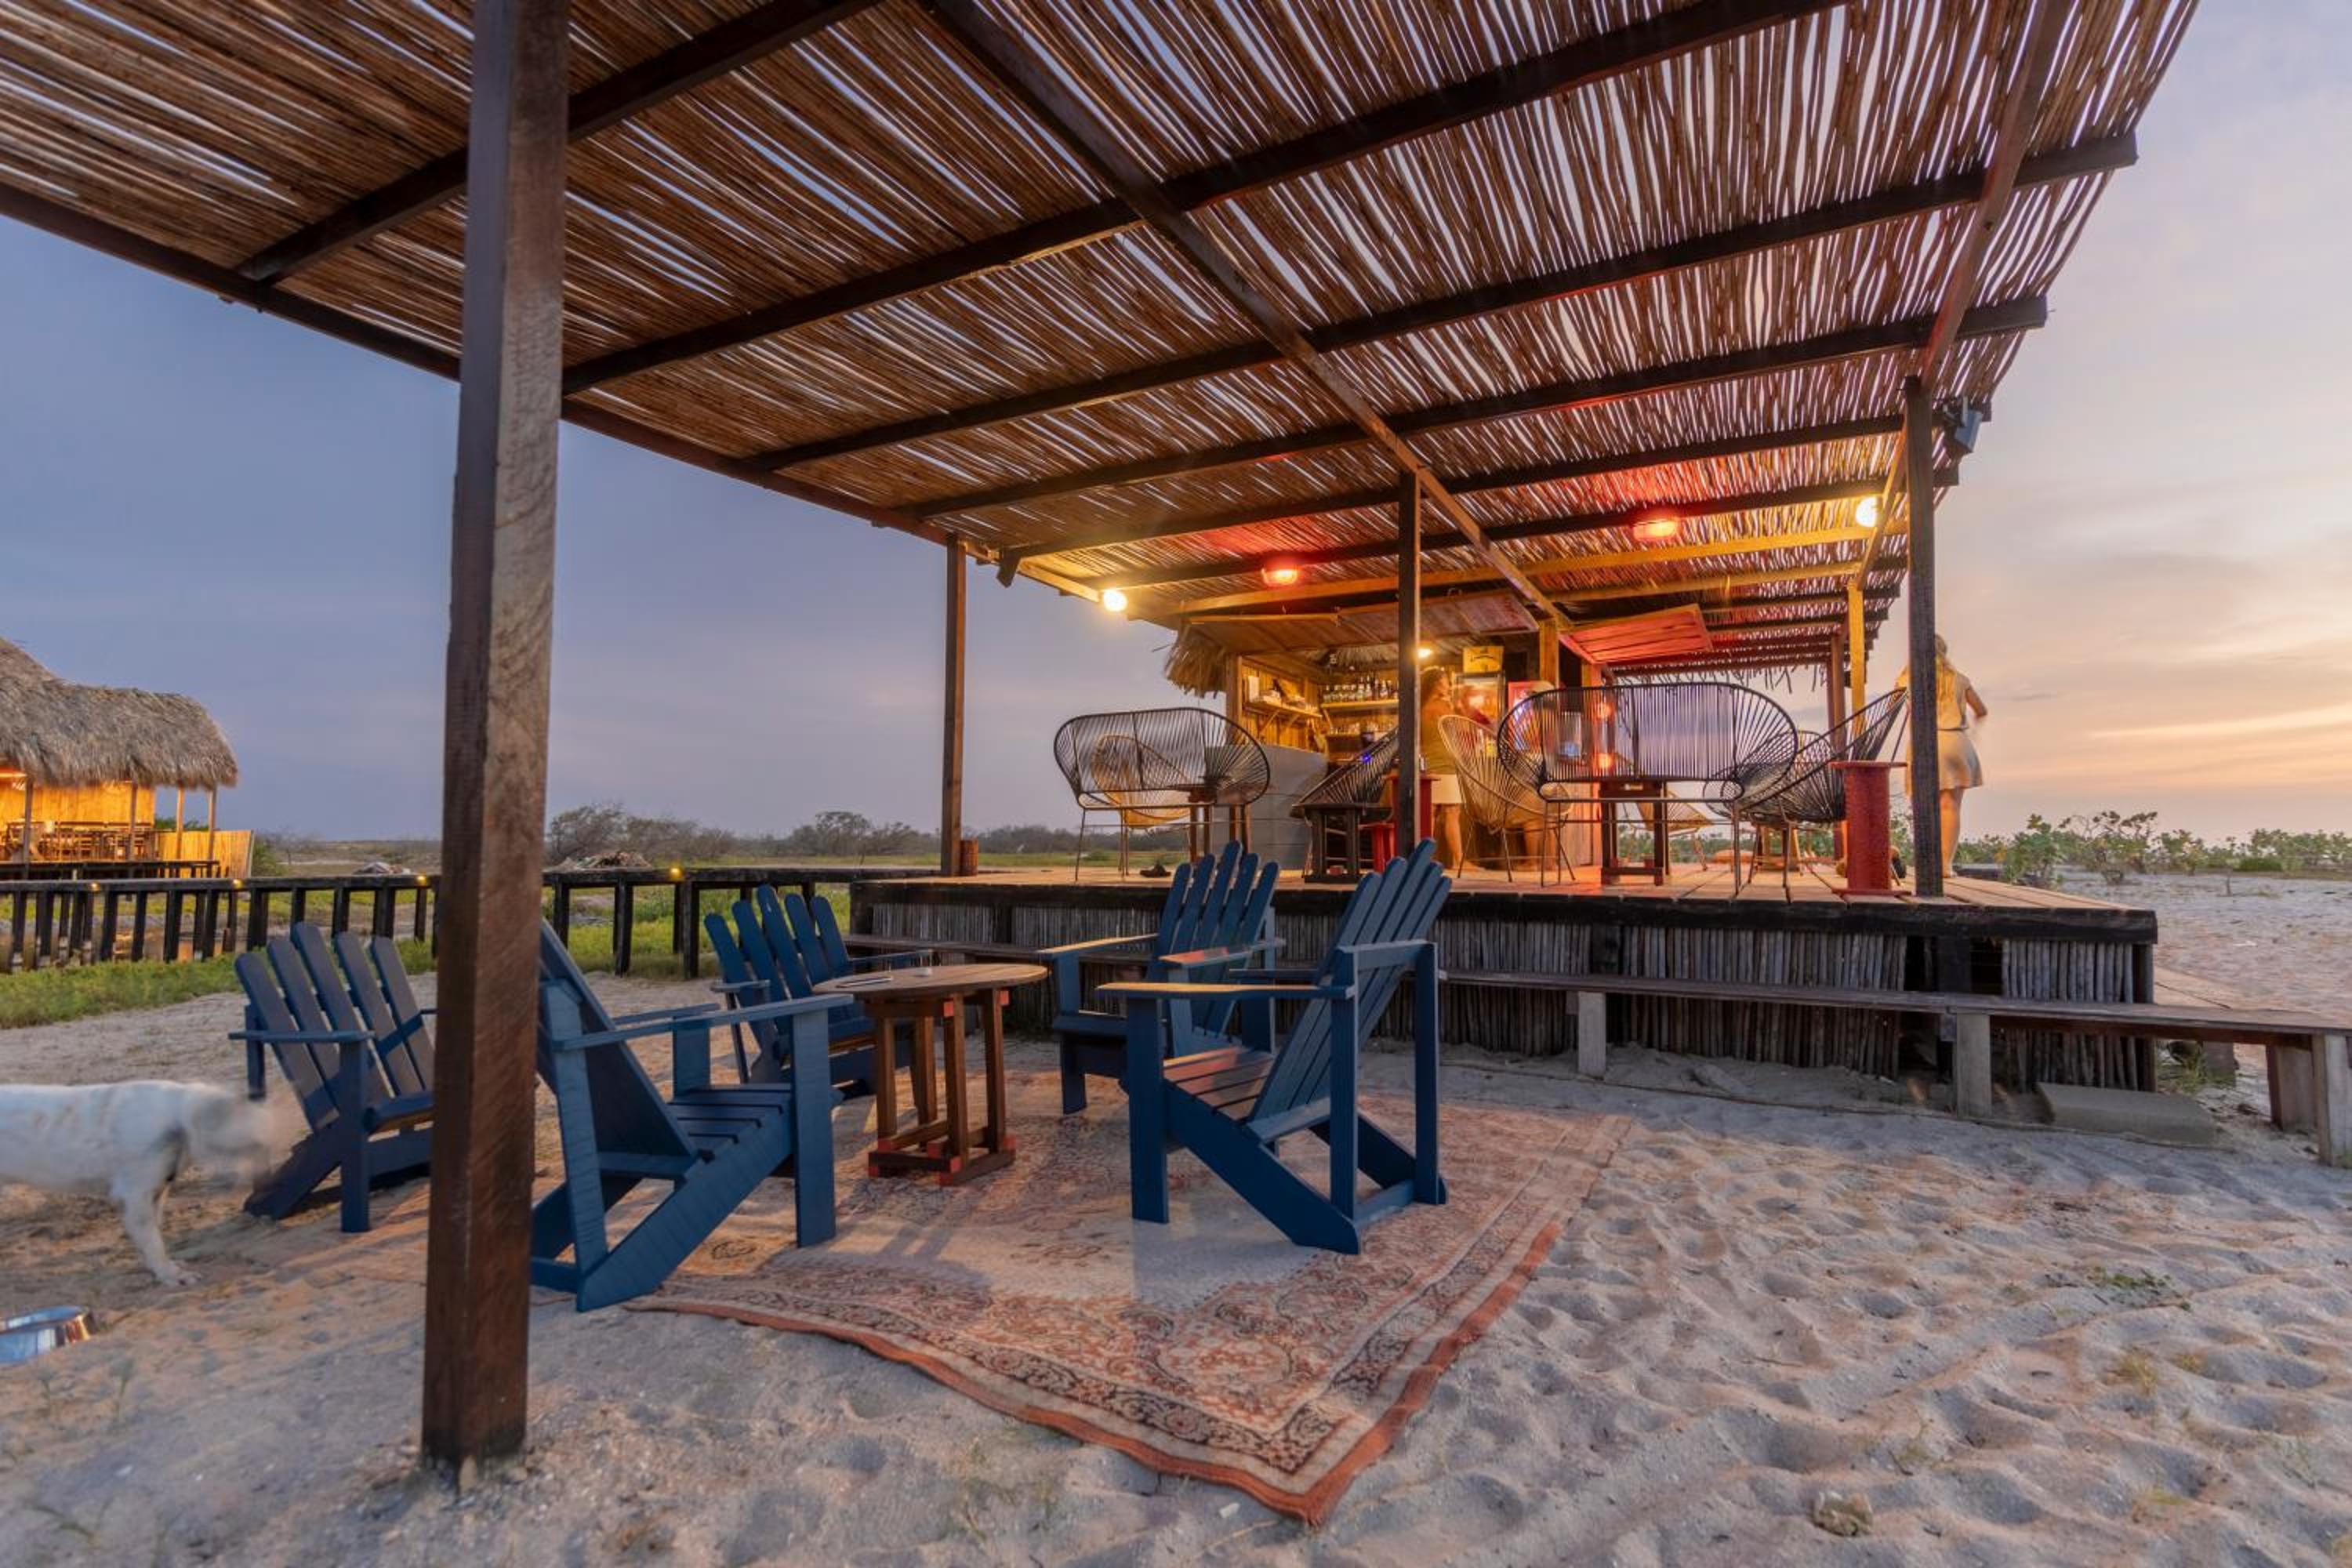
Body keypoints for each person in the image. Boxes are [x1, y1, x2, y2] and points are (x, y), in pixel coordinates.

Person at [1898, 635, 1989, 876]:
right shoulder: (1960, 680)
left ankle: (1926, 863)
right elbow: (1981, 711)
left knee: (1922, 806)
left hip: (1925, 741)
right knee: (1950, 806)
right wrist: (1973, 730)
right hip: (1956, 741)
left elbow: (1892, 707)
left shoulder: (1908, 679)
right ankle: (1945, 864)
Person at [1417, 665, 1465, 873]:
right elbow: (1459, 730)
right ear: (1438, 684)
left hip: (1429, 762)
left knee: (1430, 812)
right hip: (1446, 762)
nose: (1449, 685)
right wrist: (1458, 707)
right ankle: (1459, 861)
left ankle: (1423, 859)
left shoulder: (1421, 707)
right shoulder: (1442, 706)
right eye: (1446, 681)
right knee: (1452, 811)